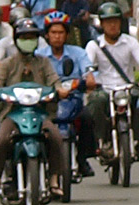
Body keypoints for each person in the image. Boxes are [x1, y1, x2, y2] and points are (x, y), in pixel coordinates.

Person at [0, 18, 67, 196]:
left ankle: (54, 177)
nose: (28, 40)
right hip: (13, 113)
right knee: (3, 139)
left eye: (32, 37)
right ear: (16, 40)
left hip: (39, 113)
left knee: (55, 137)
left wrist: (60, 90)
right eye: (24, 37)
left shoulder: (43, 62)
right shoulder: (8, 63)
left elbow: (54, 81)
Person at [85, 1, 139, 162]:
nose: (112, 25)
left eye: (115, 21)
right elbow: (86, 65)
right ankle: (100, 140)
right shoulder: (94, 45)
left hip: (127, 87)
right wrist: (89, 78)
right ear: (102, 24)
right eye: (108, 21)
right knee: (95, 102)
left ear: (121, 22)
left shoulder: (130, 42)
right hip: (104, 89)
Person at [35, 10, 96, 177]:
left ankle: (83, 159)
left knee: (87, 118)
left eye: (61, 32)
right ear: (46, 35)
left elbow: (88, 70)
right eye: (53, 32)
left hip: (72, 99)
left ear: (67, 34)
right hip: (47, 102)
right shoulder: (39, 56)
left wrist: (90, 78)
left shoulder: (78, 53)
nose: (57, 36)